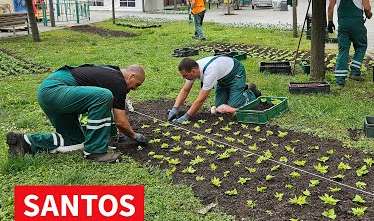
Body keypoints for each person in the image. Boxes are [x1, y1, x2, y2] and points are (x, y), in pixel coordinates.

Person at [6, 64, 148, 163]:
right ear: (131, 76)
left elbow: (111, 114)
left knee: (74, 140)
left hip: (48, 93)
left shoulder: (111, 73)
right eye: (137, 84)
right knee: (103, 96)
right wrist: (135, 136)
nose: (135, 88)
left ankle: (26, 142)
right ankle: (95, 151)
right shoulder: (118, 81)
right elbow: (120, 121)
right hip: (56, 90)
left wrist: (113, 133)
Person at [167, 56, 262, 125]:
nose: (184, 78)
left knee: (234, 106)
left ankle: (250, 91)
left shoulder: (210, 72)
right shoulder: (192, 69)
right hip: (221, 78)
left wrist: (187, 116)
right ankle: (237, 90)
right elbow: (185, 90)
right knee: (219, 107)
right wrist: (175, 108)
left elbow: (201, 99)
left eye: (185, 75)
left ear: (193, 71)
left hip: (235, 73)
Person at [327, 0, 372, 88]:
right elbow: (367, 7)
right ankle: (355, 71)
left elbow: (330, 7)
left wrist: (330, 22)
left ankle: (340, 82)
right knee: (361, 46)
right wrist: (368, 14)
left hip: (343, 24)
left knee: (343, 50)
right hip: (357, 23)